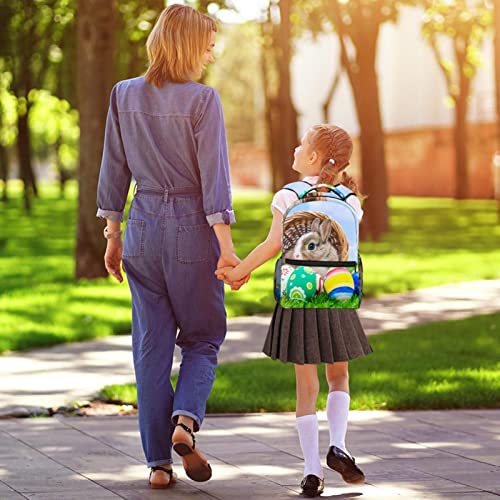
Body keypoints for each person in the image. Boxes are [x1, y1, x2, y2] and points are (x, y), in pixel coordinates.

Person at [96, 4, 247, 490]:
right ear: (186, 45)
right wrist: (226, 249)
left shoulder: (123, 94)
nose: (210, 52)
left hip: (140, 228)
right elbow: (214, 183)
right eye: (206, 44)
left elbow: (113, 170)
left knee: (151, 348)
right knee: (203, 338)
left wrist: (113, 235)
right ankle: (185, 421)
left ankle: (158, 464)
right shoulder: (204, 100)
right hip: (191, 230)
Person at [216, 124, 373, 497]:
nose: (295, 147)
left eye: (301, 144)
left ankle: (311, 471)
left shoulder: (289, 194)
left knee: (306, 387)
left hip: (298, 296)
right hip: (336, 296)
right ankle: (340, 445)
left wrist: (238, 272)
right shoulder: (350, 199)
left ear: (314, 157)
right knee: (339, 377)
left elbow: (273, 244)